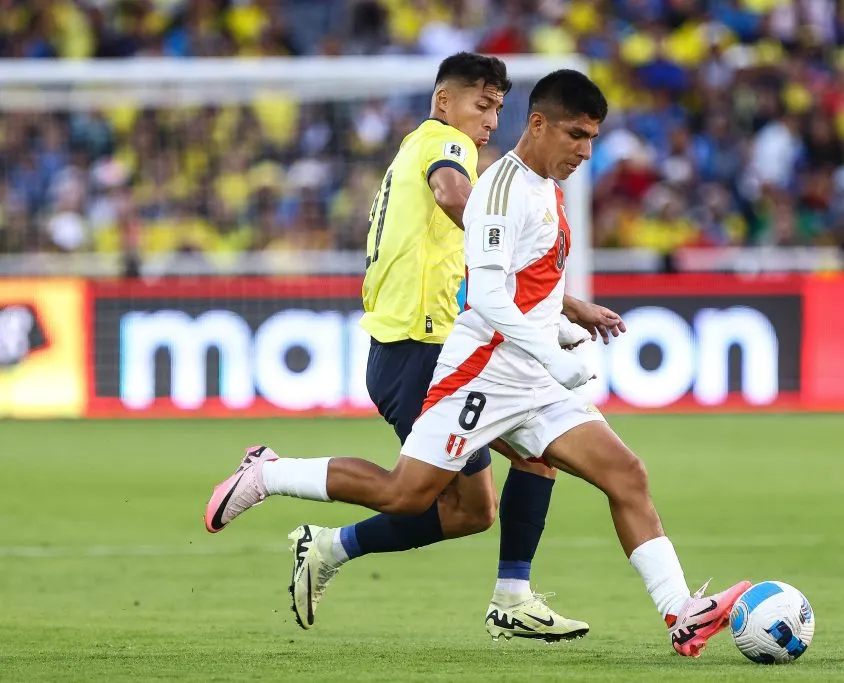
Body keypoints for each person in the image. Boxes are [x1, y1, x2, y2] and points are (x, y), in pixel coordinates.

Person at [204, 68, 749, 657]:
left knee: (624, 474)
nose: (585, 152)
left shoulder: (546, 189)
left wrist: (558, 326)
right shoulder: (486, 180)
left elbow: (522, 285)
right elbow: (488, 295)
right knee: (406, 495)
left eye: (592, 139)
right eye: (576, 136)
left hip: (530, 376)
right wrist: (550, 349)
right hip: (478, 374)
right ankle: (270, 474)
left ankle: (679, 613)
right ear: (538, 125)